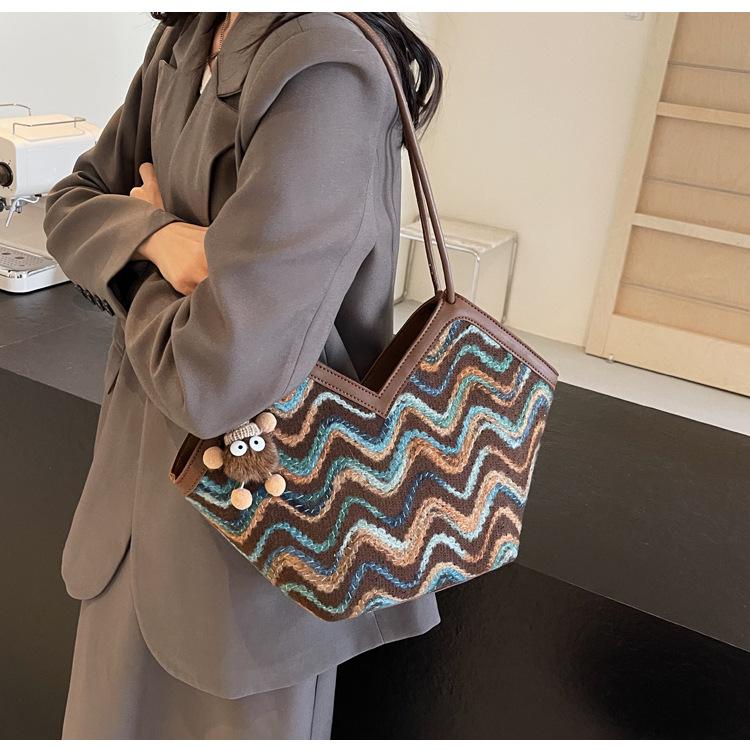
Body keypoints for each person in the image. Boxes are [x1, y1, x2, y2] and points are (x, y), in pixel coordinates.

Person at [43, 11, 444, 740]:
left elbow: (215, 378)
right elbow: (71, 202)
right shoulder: (188, 36)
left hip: (252, 561)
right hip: (127, 524)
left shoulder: (329, 70)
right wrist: (162, 238)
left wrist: (132, 250)